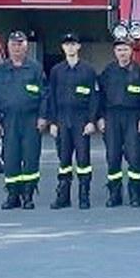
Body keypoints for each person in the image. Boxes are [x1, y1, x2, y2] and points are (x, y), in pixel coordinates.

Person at [0, 30, 47, 210]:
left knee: (31, 157)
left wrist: (42, 117)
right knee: (10, 158)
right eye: (14, 44)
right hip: (8, 120)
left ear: (26, 46)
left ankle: (28, 195)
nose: (17, 48)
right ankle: (12, 195)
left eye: (20, 44)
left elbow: (45, 95)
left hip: (31, 120)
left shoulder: (35, 68)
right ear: (8, 46)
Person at [43, 33, 100, 210]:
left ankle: (84, 196)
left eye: (73, 44)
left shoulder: (88, 70)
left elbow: (94, 97)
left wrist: (91, 121)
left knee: (83, 160)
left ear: (78, 47)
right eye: (67, 44)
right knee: (64, 161)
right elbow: (51, 97)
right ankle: (63, 197)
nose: (70, 47)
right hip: (62, 119)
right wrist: (53, 122)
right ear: (63, 48)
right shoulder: (56, 71)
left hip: (81, 120)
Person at [98, 37, 140, 207]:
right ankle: (115, 194)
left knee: (135, 156)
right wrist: (100, 117)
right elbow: (99, 96)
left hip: (133, 116)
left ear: (131, 51)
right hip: (112, 116)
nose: (122, 53)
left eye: (125, 49)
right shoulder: (108, 71)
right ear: (115, 52)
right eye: (119, 50)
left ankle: (135, 194)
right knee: (113, 156)